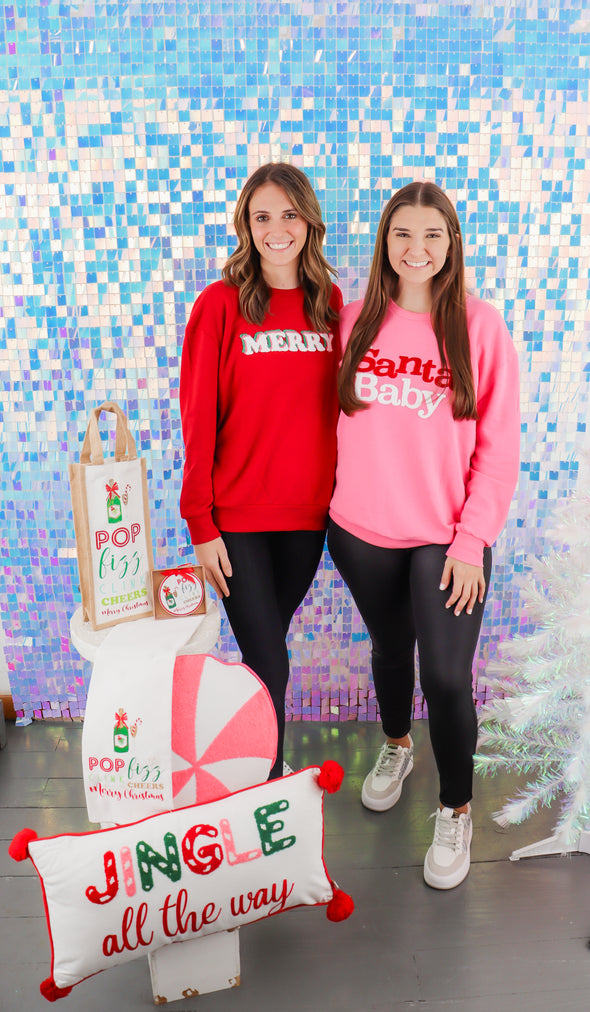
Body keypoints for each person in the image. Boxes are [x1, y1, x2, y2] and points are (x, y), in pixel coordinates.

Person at [327, 181, 520, 889]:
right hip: (360, 531)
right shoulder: (352, 322)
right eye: (402, 233)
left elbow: (499, 450)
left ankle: (455, 808)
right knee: (389, 649)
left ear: (451, 243)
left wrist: (472, 542)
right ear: (385, 242)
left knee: (443, 676)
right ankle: (397, 745)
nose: (416, 247)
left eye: (432, 234)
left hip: (445, 537)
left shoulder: (480, 326)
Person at [179, 163, 342, 778]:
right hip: (236, 519)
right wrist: (200, 523)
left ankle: (241, 766)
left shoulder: (330, 305)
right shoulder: (220, 305)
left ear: (309, 221)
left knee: (265, 651)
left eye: (289, 215)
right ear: (246, 225)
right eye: (262, 216)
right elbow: (198, 418)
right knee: (269, 661)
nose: (277, 229)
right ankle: (268, 787)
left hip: (307, 518)